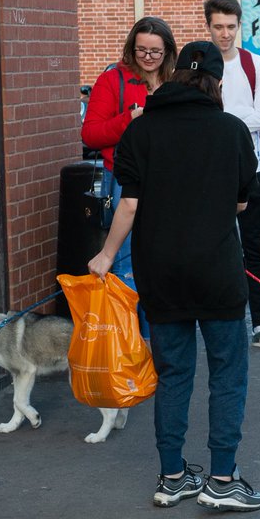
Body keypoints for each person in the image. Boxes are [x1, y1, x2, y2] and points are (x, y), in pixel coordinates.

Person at [88, 40, 260, 512]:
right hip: (217, 270)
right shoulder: (231, 130)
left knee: (173, 374)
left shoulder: (141, 132)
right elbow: (244, 202)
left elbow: (129, 203)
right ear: (216, 84)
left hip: (160, 271)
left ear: (172, 77)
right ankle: (223, 479)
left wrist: (106, 256)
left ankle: (172, 477)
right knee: (227, 372)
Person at [203, 0, 260, 351]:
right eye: (218, 27)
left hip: (253, 172)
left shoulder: (255, 64)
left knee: (255, 251)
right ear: (207, 26)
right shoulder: (198, 65)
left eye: (231, 27)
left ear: (240, 26)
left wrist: (220, 122)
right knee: (212, 250)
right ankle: (222, 324)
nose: (225, 34)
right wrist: (235, 123)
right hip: (210, 175)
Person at [81, 17, 176, 337]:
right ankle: (131, 344)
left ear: (168, 51)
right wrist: (130, 118)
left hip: (168, 180)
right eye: (141, 51)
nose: (148, 58)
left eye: (156, 52)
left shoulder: (177, 81)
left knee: (163, 263)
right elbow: (90, 134)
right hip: (124, 179)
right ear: (130, 48)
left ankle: (159, 343)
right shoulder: (113, 80)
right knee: (126, 266)